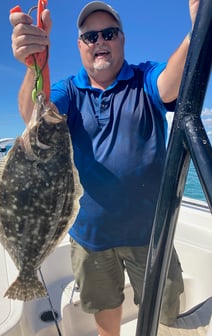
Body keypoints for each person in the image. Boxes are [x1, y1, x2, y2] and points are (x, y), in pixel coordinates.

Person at [10, 1, 200, 335]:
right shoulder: (69, 90)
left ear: (122, 39)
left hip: (152, 236)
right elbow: (34, 116)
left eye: (109, 33)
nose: (100, 41)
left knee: (167, 313)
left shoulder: (144, 78)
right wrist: (32, 65)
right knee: (106, 320)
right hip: (90, 239)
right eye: (90, 36)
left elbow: (172, 83)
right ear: (80, 45)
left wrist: (197, 30)